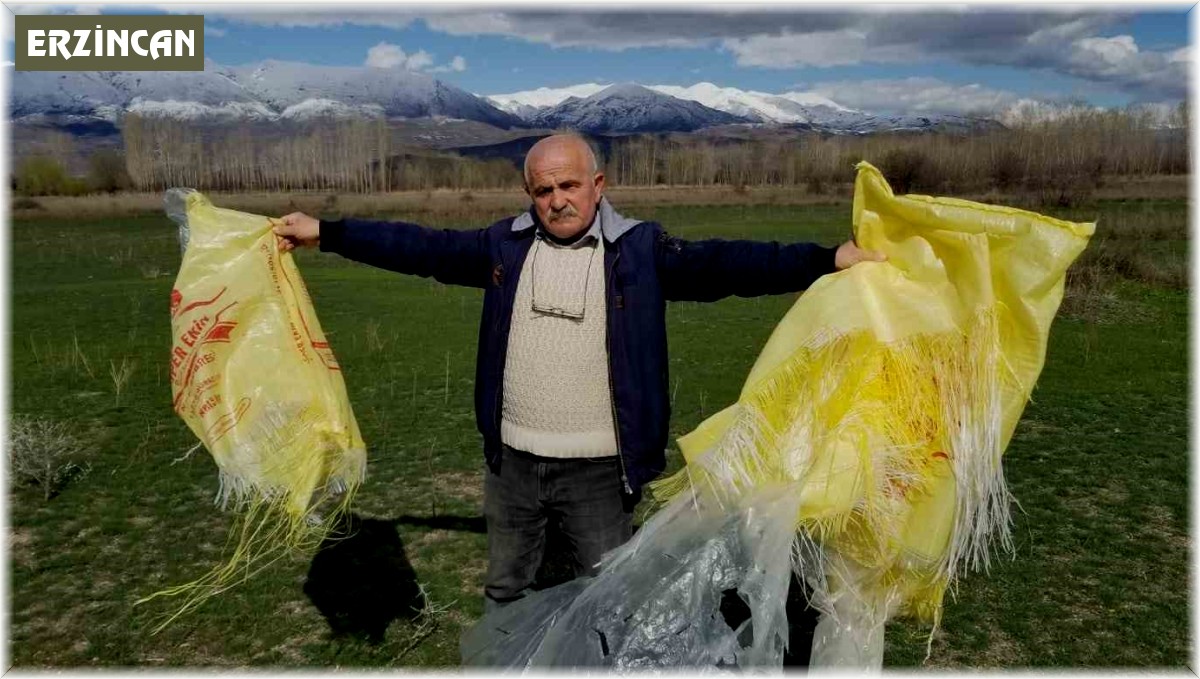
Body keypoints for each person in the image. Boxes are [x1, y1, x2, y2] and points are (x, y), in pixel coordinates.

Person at [272, 133, 884, 612]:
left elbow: (731, 264)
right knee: (506, 589)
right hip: (511, 464)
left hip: (599, 470)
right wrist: (328, 233)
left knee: (608, 597)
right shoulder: (503, 248)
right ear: (528, 194)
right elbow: (419, 246)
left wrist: (828, 259)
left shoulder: (641, 251)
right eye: (543, 190)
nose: (557, 200)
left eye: (569, 185)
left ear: (597, 185)